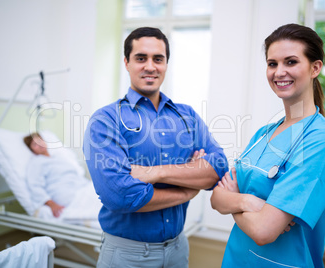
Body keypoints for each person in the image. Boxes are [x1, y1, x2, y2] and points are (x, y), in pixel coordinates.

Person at [83, 27, 228, 268]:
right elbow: (119, 195)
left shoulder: (187, 116)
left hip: (178, 249)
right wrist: (187, 189)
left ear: (166, 64)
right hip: (127, 255)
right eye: (141, 58)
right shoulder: (106, 120)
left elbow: (219, 167)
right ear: (127, 62)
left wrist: (154, 172)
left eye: (158, 59)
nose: (150, 66)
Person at [211, 23, 325, 268]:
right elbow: (217, 198)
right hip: (235, 260)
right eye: (272, 63)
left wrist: (235, 198)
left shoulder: (320, 140)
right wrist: (248, 202)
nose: (279, 72)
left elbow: (264, 231)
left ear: (315, 68)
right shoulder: (265, 133)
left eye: (290, 62)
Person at [24, 133, 88, 218]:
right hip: (63, 192)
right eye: (35, 144)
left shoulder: (59, 157)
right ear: (31, 150)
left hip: (80, 186)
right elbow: (35, 187)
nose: (39, 145)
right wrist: (51, 204)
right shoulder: (36, 163)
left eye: (39, 141)